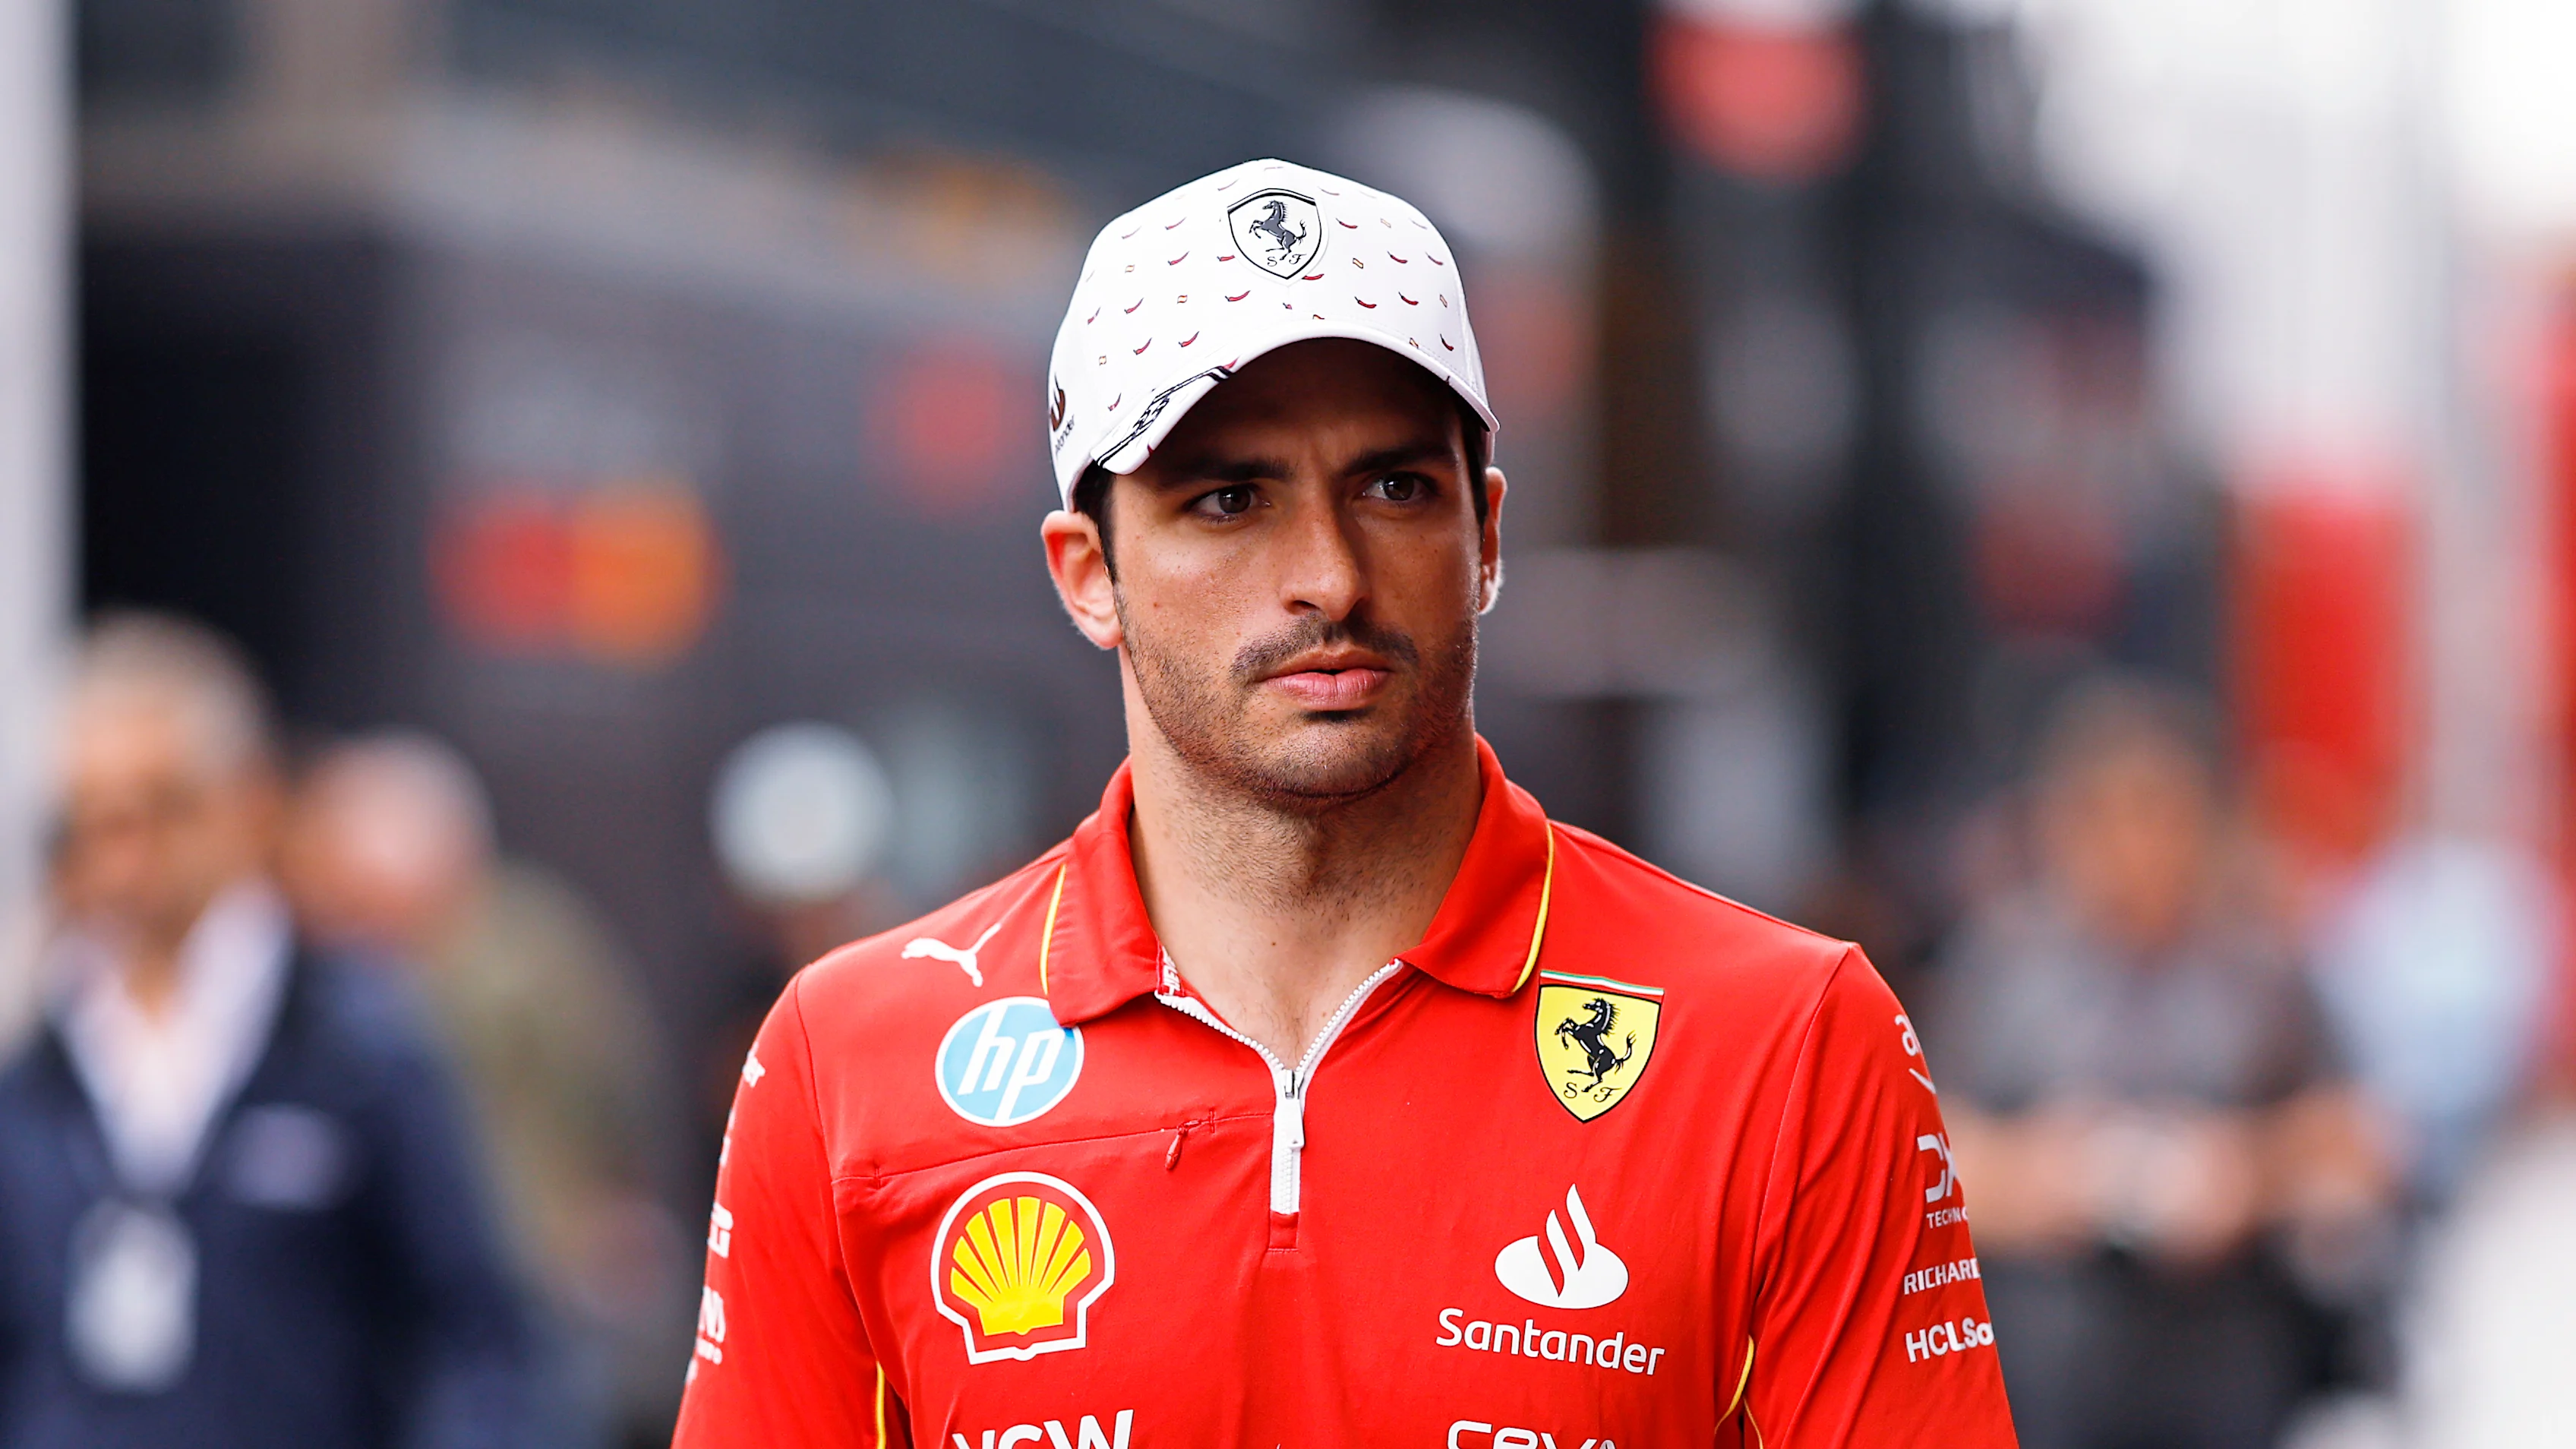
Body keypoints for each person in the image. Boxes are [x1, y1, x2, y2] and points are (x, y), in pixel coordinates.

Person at [672, 159, 2015, 1447]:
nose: (1327, 573)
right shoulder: (845, 1067)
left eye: (1393, 487)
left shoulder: (1786, 1045)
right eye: (1228, 498)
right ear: (1088, 574)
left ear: (1487, 537)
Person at [0, 614, 535, 1447]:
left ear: (250, 803)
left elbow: (474, 1330)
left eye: (163, 808)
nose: (127, 858)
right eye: (96, 820)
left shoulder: (354, 1044)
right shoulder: (35, 1056)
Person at [1926, 676, 2393, 1449]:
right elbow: (1927, 1156)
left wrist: (2247, 1172)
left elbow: (2359, 1141)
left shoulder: (2262, 970)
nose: (2135, 848)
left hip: (2225, 1367)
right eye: (2107, 819)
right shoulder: (2002, 968)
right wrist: (2042, 1173)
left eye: (2160, 816)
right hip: (2046, 1371)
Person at [284, 731, 685, 1447]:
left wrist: (605, 1211)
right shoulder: (329, 985)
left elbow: (613, 1093)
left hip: (534, 1278)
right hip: (387, 1297)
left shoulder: (524, 950)